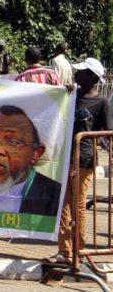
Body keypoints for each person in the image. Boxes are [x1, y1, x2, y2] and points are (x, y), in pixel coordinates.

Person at [47, 58, 112, 264]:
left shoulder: (101, 102)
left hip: (83, 157)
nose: (78, 74)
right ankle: (69, 250)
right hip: (65, 155)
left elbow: (107, 132)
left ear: (92, 77)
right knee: (66, 203)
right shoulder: (71, 95)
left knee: (76, 204)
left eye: (83, 71)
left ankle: (75, 250)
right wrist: (64, 92)